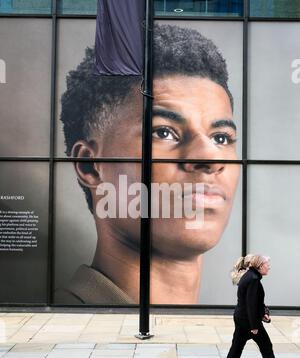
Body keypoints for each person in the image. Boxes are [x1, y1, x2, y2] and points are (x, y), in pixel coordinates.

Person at [56, 23, 240, 305]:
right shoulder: (67, 336)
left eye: (221, 137)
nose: (210, 158)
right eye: (163, 132)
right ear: (90, 166)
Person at [222, 255, 295, 358]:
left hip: (241, 318)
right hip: (248, 322)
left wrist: (264, 314)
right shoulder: (254, 280)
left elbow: (255, 303)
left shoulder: (249, 276)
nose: (269, 267)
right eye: (267, 264)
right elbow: (251, 305)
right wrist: (254, 326)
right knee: (266, 347)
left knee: (236, 348)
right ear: (260, 266)